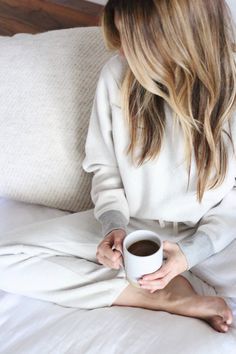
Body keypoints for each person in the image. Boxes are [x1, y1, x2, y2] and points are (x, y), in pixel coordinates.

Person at [0, 0, 235, 335]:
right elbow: (104, 167)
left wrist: (192, 252)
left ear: (178, 39)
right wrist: (113, 225)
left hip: (209, 236)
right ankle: (159, 298)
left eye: (132, 42)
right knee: (5, 259)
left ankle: (173, 281)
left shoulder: (231, 88)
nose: (121, 52)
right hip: (133, 228)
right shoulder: (117, 76)